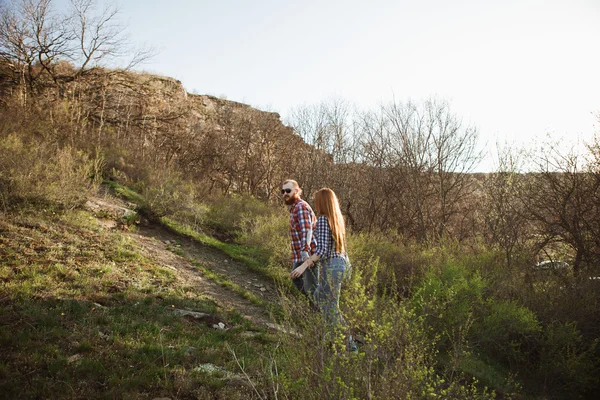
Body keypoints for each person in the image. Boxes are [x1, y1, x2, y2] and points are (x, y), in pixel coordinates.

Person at [290, 187, 356, 351]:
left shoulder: (324, 220)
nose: (315, 203)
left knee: (329, 307)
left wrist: (304, 265)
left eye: (317, 200)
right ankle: (335, 338)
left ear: (323, 202)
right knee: (326, 302)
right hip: (340, 265)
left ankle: (348, 345)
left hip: (332, 266)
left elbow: (322, 250)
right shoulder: (337, 220)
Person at [281, 179, 319, 298]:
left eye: (288, 190)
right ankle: (311, 305)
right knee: (296, 279)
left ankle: (317, 310)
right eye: (283, 191)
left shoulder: (301, 207)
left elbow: (306, 230)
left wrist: (305, 253)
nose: (285, 194)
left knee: (311, 287)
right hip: (300, 254)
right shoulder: (294, 208)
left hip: (308, 254)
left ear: (297, 191)